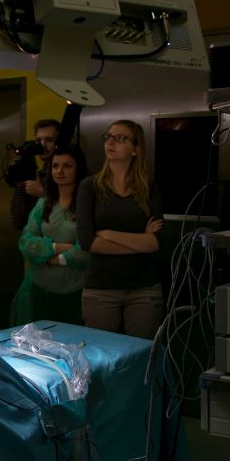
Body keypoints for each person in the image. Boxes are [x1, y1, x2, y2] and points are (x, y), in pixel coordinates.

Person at [76, 120, 165, 339]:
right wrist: (141, 241)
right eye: (107, 137)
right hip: (101, 287)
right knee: (102, 352)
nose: (110, 142)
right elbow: (88, 241)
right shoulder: (90, 186)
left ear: (135, 149)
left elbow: (156, 243)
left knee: (141, 352)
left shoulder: (148, 188)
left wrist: (108, 234)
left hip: (143, 288)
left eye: (120, 138)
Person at [16, 144, 90, 325]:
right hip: (39, 291)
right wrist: (57, 247)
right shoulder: (43, 204)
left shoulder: (87, 206)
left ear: (78, 169)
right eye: (55, 166)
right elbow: (26, 243)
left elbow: (86, 251)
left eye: (67, 166)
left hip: (75, 292)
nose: (60, 171)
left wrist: (50, 259)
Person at [9, 118, 62, 231]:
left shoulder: (69, 174)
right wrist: (20, 186)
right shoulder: (37, 175)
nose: (43, 145)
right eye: (38, 140)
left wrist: (42, 194)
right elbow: (18, 223)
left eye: (49, 140)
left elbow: (71, 220)